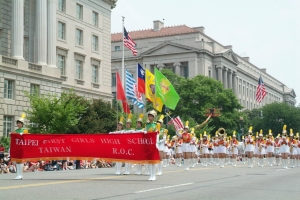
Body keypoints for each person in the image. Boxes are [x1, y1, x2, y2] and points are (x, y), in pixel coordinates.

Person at [12, 113, 27, 180]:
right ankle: (18, 174)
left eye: (19, 123)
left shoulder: (25, 131)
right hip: (17, 148)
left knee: (20, 161)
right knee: (17, 161)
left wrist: (23, 135)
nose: (18, 124)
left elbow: (27, 139)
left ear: (22, 124)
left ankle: (21, 175)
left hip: (22, 148)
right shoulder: (15, 131)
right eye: (17, 123)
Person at [145, 110, 159, 181]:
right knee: (149, 160)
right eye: (149, 116)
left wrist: (156, 143)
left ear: (153, 117)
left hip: (154, 144)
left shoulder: (156, 125)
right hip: (148, 144)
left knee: (153, 160)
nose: (149, 117)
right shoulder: (147, 125)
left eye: (151, 116)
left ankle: (154, 175)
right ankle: (151, 175)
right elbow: (145, 133)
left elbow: (157, 135)